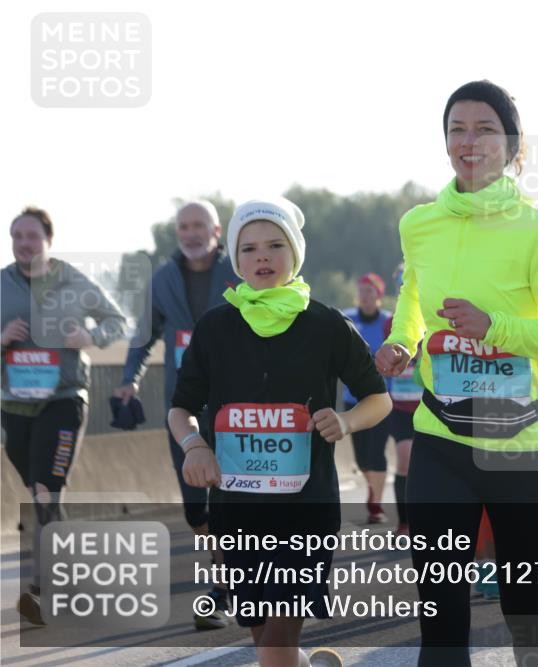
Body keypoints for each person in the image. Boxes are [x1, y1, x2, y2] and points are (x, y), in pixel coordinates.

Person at [375, 80, 538, 667]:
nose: (470, 142)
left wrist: (492, 326)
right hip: (443, 443)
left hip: (523, 450)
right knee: (441, 621)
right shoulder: (419, 224)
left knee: (524, 608)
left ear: (513, 144)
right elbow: (414, 299)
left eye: (485, 129)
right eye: (457, 129)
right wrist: (400, 343)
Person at [170, 197, 391, 667]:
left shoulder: (327, 324)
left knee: (275, 639)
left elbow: (379, 398)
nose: (263, 257)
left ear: (296, 252)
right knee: (265, 639)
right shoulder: (215, 328)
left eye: (275, 245)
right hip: (236, 512)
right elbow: (180, 409)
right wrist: (195, 446)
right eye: (248, 249)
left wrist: (347, 421)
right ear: (235, 258)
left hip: (305, 511)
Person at [115, 200, 238, 629]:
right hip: (182, 407)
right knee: (195, 507)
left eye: (198, 225)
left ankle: (223, 586)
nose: (189, 233)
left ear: (217, 231)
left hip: (234, 406)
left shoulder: (238, 272)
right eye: (182, 226)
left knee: (227, 498)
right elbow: (143, 336)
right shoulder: (163, 279)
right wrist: (130, 379)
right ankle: (227, 569)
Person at [2, 207, 127, 624]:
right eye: (16, 235)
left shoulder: (74, 281)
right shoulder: (2, 284)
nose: (23, 242)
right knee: (41, 495)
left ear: (48, 240)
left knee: (44, 488)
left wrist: (89, 336)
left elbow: (116, 320)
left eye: (31, 235)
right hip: (15, 404)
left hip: (64, 399)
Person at [343, 272, 393, 524]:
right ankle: (371, 488)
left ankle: (376, 503)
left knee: (376, 453)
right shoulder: (346, 318)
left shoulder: (388, 322)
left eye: (370, 292)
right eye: (361, 292)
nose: (365, 297)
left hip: (382, 399)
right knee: (362, 457)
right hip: (353, 400)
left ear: (379, 296)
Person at [382, 264, 418, 535]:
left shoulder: (436, 316)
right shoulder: (389, 322)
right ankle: (404, 522)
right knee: (404, 458)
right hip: (401, 405)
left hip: (432, 404)